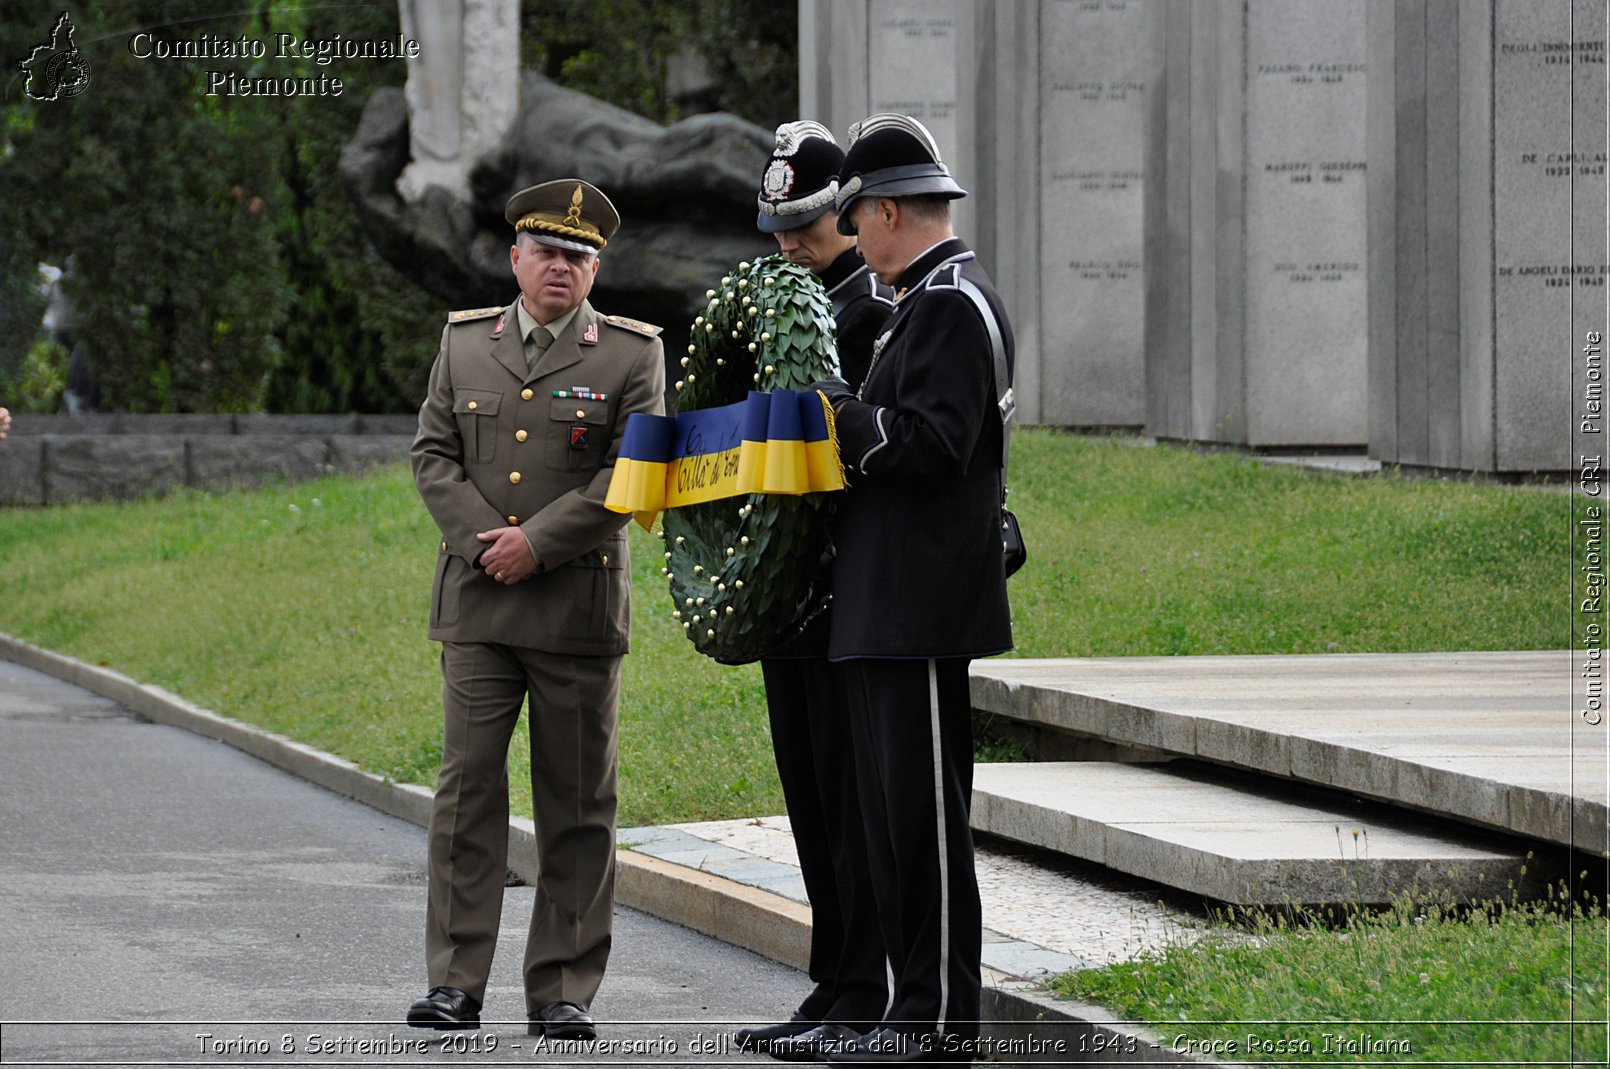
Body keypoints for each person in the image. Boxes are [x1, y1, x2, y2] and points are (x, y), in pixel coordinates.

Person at [407, 179, 666, 1038]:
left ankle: (562, 988)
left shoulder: (632, 355)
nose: (563, 266)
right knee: (466, 795)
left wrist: (539, 543)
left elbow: (629, 477)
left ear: (597, 268)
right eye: (548, 251)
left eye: (580, 255)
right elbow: (433, 455)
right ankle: (455, 983)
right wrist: (490, 541)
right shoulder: (463, 343)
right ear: (516, 257)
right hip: (479, 606)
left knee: (577, 802)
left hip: (575, 615)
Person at [811, 114, 1015, 1064]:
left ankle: (937, 1026)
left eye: (858, 217)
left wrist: (840, 418)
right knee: (892, 826)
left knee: (925, 831)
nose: (854, 237)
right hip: (887, 601)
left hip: (922, 604)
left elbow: (931, 444)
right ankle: (908, 1015)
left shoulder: (950, 302)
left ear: (889, 210)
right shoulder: (924, 299)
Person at [735, 121, 894, 1061]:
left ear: (846, 210)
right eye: (779, 224)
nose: (790, 239)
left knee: (849, 795)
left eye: (807, 221)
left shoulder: (872, 309)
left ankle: (863, 988)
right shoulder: (772, 304)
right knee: (806, 789)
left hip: (845, 584)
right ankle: (831, 982)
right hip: (783, 587)